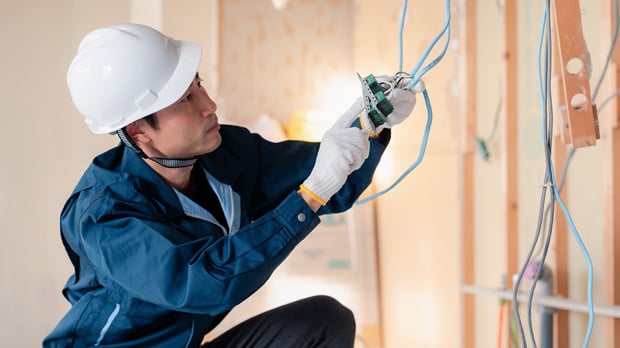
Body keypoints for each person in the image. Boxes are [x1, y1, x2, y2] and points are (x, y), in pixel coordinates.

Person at [44, 23, 419, 348]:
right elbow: (202, 281)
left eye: (199, 85)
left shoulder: (226, 155)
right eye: (187, 98)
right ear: (138, 130)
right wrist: (309, 196)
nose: (209, 104)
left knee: (323, 321)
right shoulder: (105, 215)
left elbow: (326, 177)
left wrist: (370, 124)